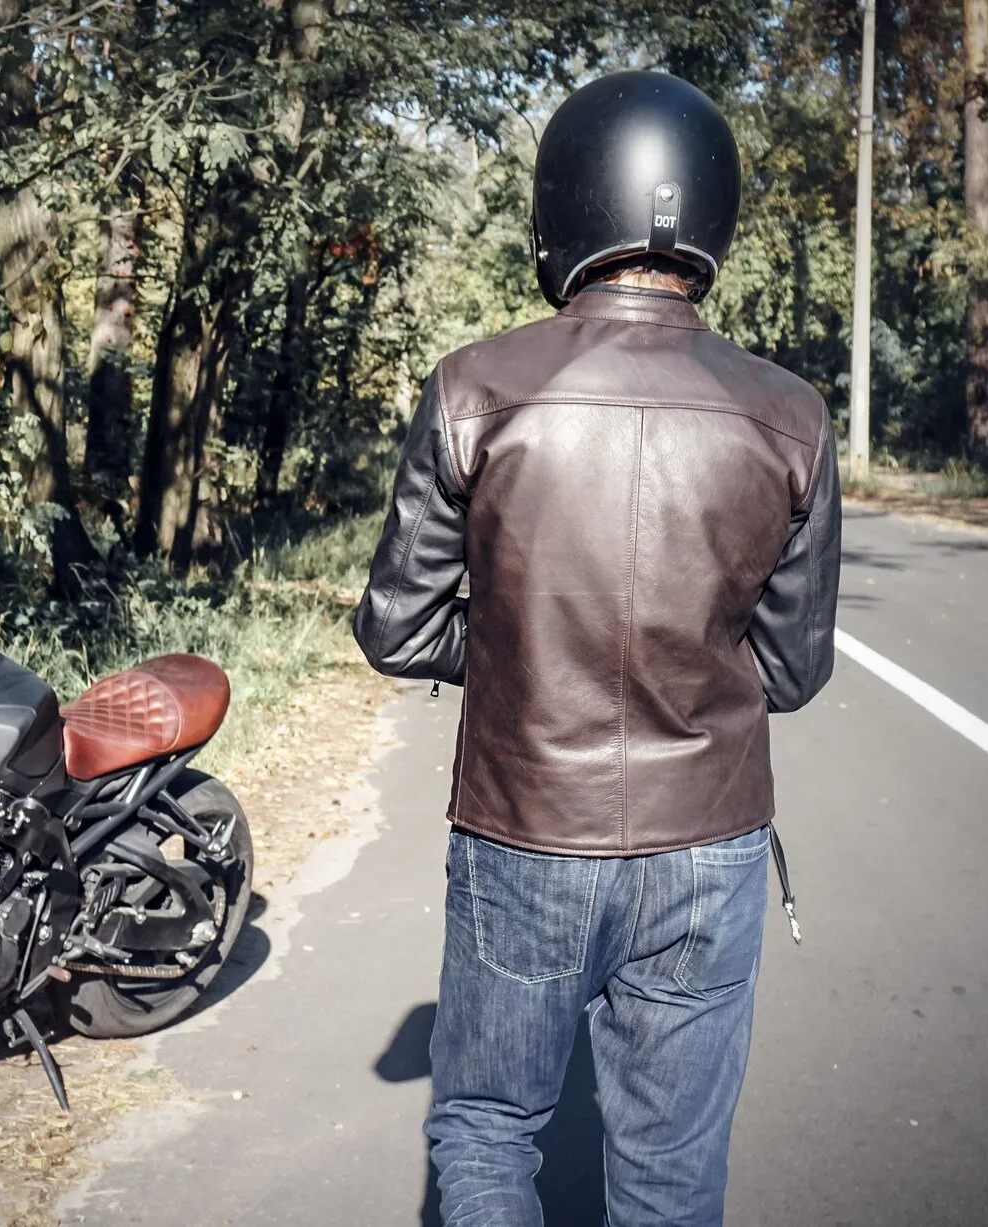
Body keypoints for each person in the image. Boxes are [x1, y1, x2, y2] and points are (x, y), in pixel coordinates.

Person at [351, 70, 842, 1227]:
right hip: (710, 850)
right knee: (670, 1178)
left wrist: (529, 649)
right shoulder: (790, 414)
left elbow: (397, 626)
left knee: (485, 1128)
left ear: (563, 208)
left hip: (524, 832)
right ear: (707, 220)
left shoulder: (475, 389)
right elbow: (792, 668)